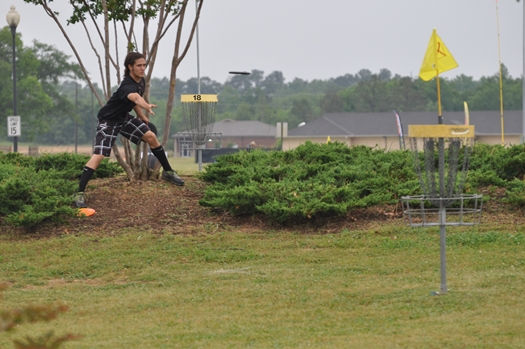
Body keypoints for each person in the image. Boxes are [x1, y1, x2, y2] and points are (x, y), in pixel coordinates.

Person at [73, 52, 184, 208]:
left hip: (123, 118)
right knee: (99, 155)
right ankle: (79, 193)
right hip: (108, 120)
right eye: (139, 65)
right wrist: (146, 105)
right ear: (130, 67)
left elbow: (132, 102)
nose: (142, 68)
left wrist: (140, 115)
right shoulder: (127, 85)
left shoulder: (141, 81)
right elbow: (135, 98)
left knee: (151, 137)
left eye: (144, 65)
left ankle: (168, 172)